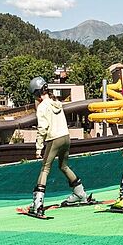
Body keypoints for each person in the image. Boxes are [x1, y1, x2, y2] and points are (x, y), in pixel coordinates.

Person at [27, 77, 88, 216]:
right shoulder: (57, 102)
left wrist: (38, 147)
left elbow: (42, 128)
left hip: (54, 139)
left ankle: (37, 204)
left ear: (36, 93)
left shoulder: (42, 107)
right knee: (63, 166)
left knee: (45, 168)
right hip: (66, 137)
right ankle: (80, 193)